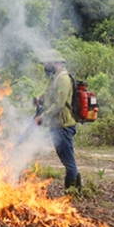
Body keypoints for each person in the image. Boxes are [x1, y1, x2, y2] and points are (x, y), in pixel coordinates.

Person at [35, 49, 80, 190]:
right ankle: (73, 189)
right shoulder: (54, 78)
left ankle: (73, 191)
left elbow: (59, 104)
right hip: (56, 125)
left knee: (68, 160)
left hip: (64, 125)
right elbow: (49, 94)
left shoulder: (63, 79)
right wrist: (39, 99)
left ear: (56, 63)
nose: (45, 67)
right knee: (64, 157)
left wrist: (42, 117)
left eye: (48, 64)